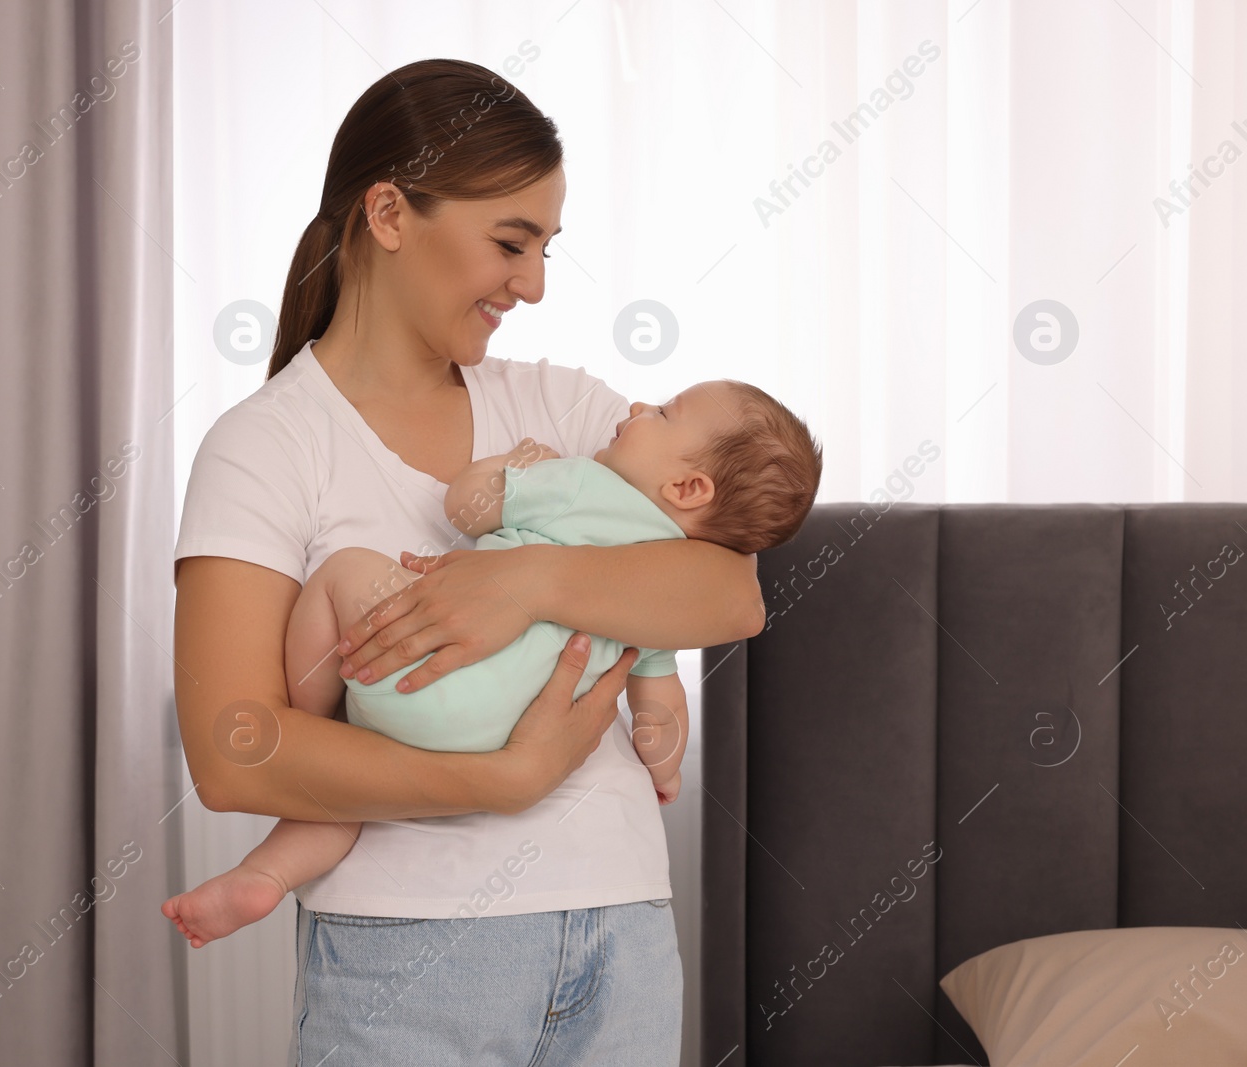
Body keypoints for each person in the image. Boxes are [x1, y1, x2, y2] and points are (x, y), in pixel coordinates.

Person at [169, 57, 768, 1067]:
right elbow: (235, 750)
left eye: (545, 248)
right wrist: (503, 778)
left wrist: (519, 581)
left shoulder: (565, 409)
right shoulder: (265, 445)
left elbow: (728, 590)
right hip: (405, 952)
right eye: (510, 242)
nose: (532, 284)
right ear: (390, 212)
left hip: (617, 930)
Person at [164, 379, 822, 948]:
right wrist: (665, 764)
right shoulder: (659, 586)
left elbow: (465, 503)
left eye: (666, 412)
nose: (641, 405)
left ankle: (311, 743)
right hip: (504, 732)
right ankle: (268, 874)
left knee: (345, 575)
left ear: (686, 483)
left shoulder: (582, 481)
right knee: (355, 794)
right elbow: (660, 704)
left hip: (417, 680)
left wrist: (515, 466)